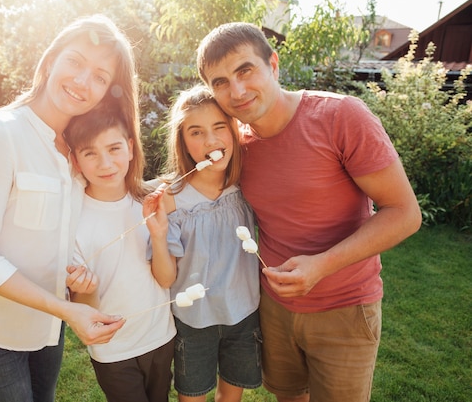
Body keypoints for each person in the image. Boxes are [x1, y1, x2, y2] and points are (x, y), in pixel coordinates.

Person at [196, 22, 422, 402]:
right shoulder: (237, 142)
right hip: (274, 307)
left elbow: (404, 213)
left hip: (344, 308)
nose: (236, 91)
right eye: (220, 82)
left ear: (274, 64)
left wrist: (321, 265)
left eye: (245, 70)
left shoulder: (341, 117)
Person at [0, 14, 136, 402]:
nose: (84, 81)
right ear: (50, 61)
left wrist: (75, 279)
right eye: (76, 62)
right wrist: (67, 310)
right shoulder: (0, 134)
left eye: (101, 76)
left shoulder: (77, 151)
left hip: (48, 332)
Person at [151, 84, 262, 402]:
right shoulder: (171, 200)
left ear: (234, 130)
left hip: (243, 313)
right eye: (196, 132)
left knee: (231, 395)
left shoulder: (244, 185)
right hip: (193, 320)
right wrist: (158, 236)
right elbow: (165, 278)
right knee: (193, 396)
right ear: (183, 141)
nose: (211, 141)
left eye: (219, 128)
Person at [64, 107, 176, 402]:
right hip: (113, 350)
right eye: (90, 153)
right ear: (75, 160)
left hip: (160, 337)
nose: (105, 163)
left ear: (129, 148)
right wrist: (84, 289)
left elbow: (165, 279)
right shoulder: (73, 222)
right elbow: (84, 307)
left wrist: (159, 236)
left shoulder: (147, 204)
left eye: (114, 148)